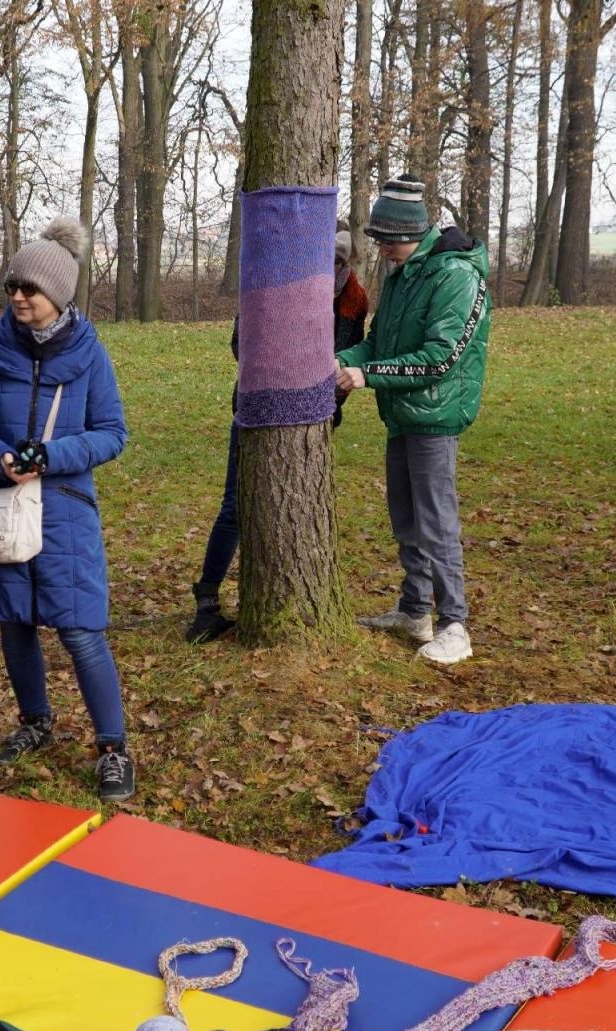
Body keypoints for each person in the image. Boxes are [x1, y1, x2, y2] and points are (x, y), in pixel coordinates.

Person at [0, 218, 134, 803]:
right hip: (2, 506)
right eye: (12, 287)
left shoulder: (90, 354)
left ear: (60, 294)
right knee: (15, 621)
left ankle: (113, 748)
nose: (19, 297)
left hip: (65, 513)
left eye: (31, 289)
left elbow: (112, 433)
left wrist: (51, 456)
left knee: (80, 631)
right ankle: (35, 721)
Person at [184, 228, 369, 643]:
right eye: (325, 260)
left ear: (346, 263)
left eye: (339, 262)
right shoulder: (272, 281)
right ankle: (207, 601)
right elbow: (241, 343)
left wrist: (331, 406)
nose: (331, 269)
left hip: (313, 419)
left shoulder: (353, 300)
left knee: (297, 507)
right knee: (234, 505)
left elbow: (347, 359)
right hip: (256, 406)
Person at [335, 174, 490, 666]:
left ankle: (455, 625)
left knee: (436, 522)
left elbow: (440, 357)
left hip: (436, 414)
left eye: (386, 241)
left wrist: (368, 375)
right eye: (378, 240)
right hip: (402, 411)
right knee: (406, 518)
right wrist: (341, 360)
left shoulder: (455, 275)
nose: (380, 250)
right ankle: (414, 610)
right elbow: (379, 341)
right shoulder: (402, 274)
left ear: (412, 235)